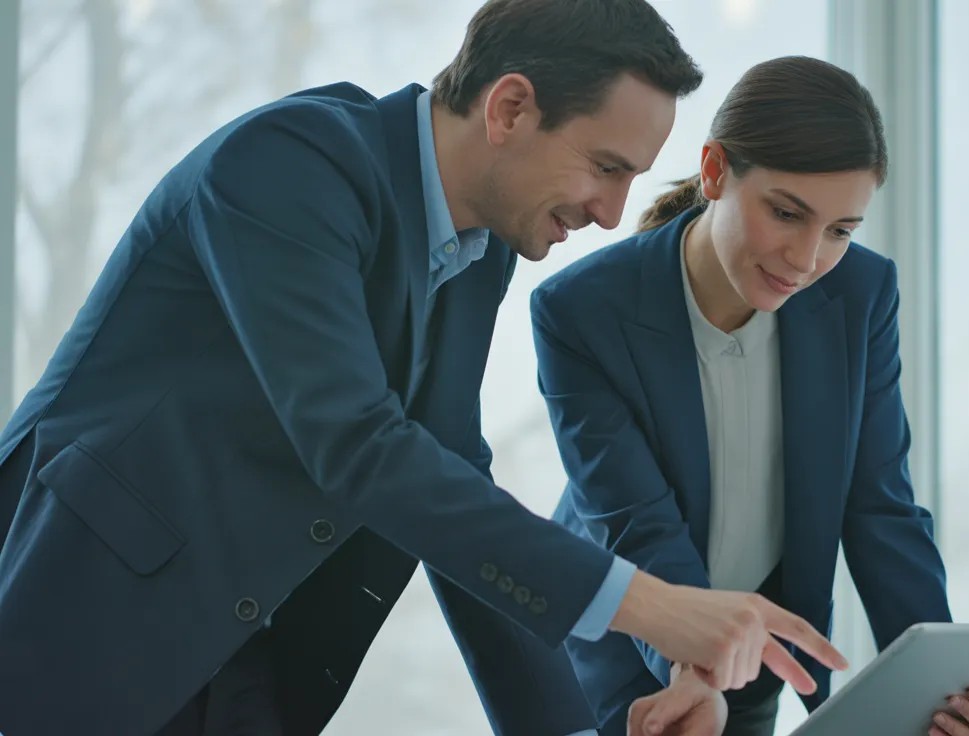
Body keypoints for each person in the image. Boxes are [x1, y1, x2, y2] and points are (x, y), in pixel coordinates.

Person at [0, 3, 848, 735]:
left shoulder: (478, 252)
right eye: (605, 167)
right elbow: (361, 447)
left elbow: (446, 470)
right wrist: (657, 607)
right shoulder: (289, 165)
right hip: (80, 629)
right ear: (511, 107)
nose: (612, 213)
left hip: (246, 666)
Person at [527, 56, 969, 736]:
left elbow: (880, 505)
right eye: (786, 213)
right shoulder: (581, 310)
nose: (807, 258)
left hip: (749, 664)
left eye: (840, 230)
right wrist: (696, 668)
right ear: (714, 172)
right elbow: (636, 522)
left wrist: (949, 690)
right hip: (617, 653)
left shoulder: (859, 295)